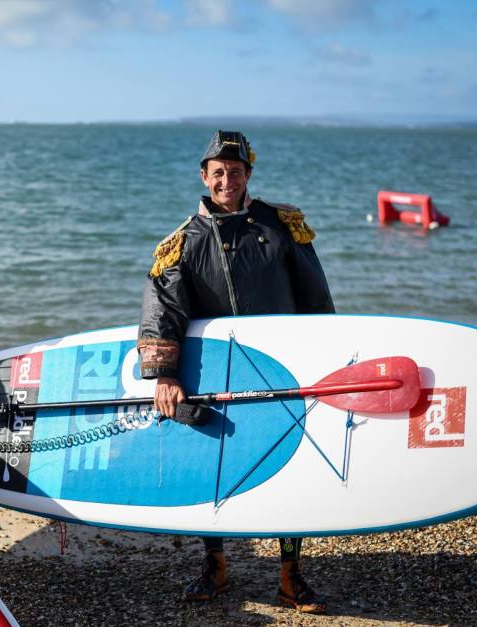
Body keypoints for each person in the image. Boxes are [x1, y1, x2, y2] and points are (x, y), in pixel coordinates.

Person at [137, 130, 334, 613]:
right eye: (219, 172)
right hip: (214, 373)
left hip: (284, 370)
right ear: (204, 177)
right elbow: (164, 309)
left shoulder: (282, 225)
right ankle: (215, 566)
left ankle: (291, 576)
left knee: (291, 466)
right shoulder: (182, 242)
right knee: (214, 472)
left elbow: (316, 296)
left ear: (249, 174)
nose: (228, 180)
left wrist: (327, 356)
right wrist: (164, 374)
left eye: (237, 171)